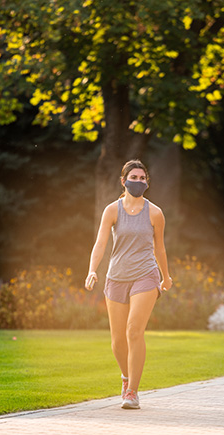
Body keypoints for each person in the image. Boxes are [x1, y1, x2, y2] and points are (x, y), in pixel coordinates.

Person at [85, 159, 172, 409]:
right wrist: (92, 270)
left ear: (147, 183)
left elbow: (160, 248)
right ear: (123, 181)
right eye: (133, 178)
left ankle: (132, 391)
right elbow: (101, 243)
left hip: (145, 275)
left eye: (142, 178)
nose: (138, 182)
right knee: (117, 340)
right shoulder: (112, 210)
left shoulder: (155, 213)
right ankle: (125, 377)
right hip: (116, 277)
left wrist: (165, 276)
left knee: (134, 330)